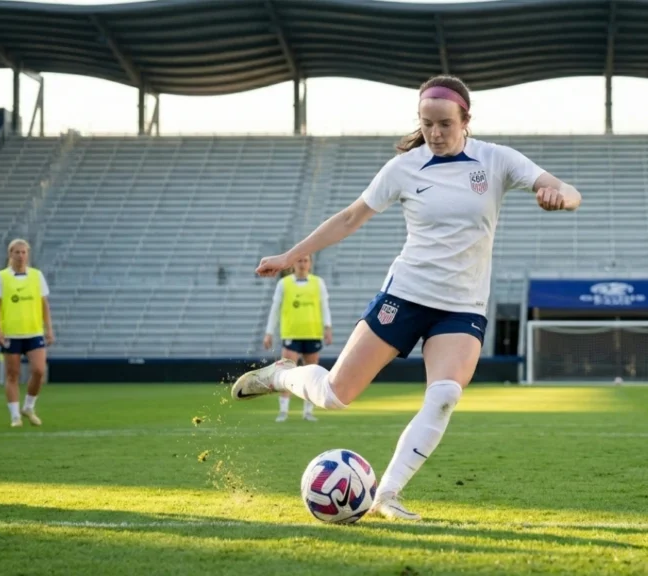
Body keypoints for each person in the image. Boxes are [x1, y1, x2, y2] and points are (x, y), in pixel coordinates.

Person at [230, 75, 581, 521]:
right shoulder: (405, 167)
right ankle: (283, 376)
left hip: (462, 306)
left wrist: (559, 198)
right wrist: (290, 255)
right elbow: (349, 217)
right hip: (406, 295)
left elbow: (568, 190)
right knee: (336, 395)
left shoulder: (496, 161)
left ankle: (387, 495)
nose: (435, 133)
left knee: (445, 394)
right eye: (427, 123)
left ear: (466, 120)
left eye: (445, 124)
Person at [0, 238, 54, 427]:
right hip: (11, 333)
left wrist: (49, 329)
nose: (20, 255)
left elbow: (44, 304)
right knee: (12, 374)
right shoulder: (1, 277)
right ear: (10, 254)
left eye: (23, 252)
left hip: (34, 331)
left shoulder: (36, 275)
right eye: (17, 252)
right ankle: (15, 416)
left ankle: (28, 406)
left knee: (39, 370)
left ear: (28, 254)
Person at [263, 253, 332, 422]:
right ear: (293, 264)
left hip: (312, 333)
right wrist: (269, 332)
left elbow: (324, 306)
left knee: (312, 375)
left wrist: (327, 327)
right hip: (291, 334)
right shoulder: (284, 284)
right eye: (299, 260)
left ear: (310, 263)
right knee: (286, 372)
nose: (302, 263)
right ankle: (283, 411)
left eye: (305, 260)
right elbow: (275, 308)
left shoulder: (318, 283)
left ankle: (308, 411)